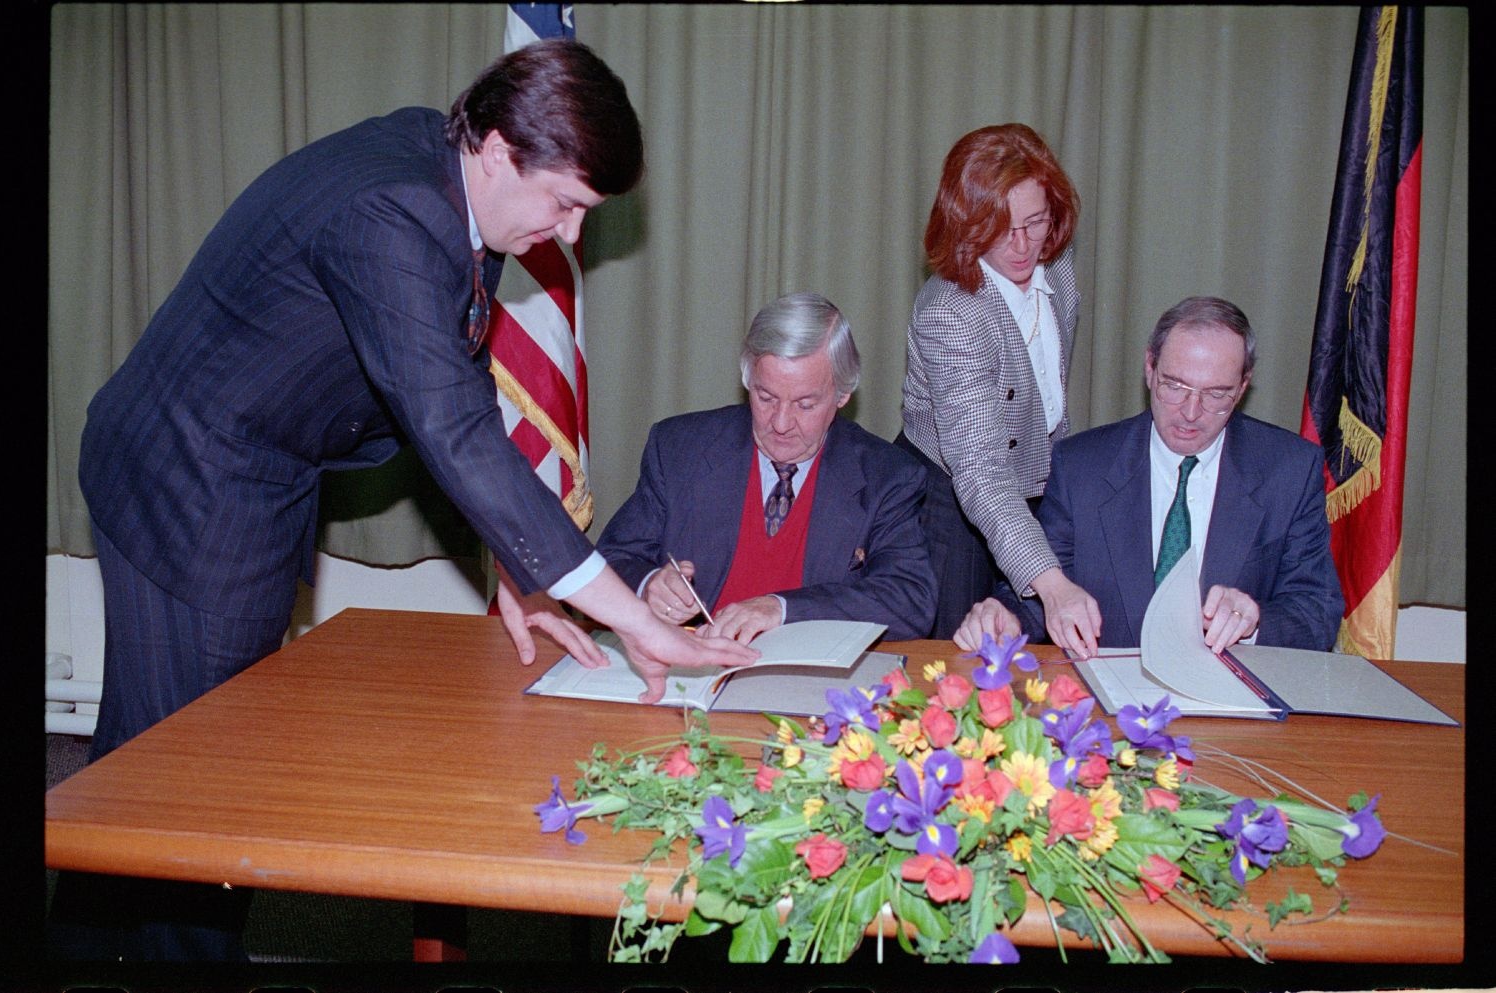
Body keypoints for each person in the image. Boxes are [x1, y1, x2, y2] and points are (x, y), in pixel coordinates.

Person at [56, 38, 752, 961]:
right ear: (503, 151)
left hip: (256, 471)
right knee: (193, 781)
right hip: (193, 480)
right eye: (569, 203)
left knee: (153, 757)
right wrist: (640, 624)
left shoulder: (456, 179)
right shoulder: (396, 208)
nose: (573, 234)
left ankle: (75, 948)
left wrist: (518, 567)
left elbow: (449, 401)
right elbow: (454, 429)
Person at [956, 296, 1344, 654]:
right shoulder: (1083, 466)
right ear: (1149, 367)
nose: (1191, 412)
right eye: (1175, 386)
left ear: (1243, 387)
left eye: (1216, 394)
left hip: (1230, 704)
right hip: (1107, 703)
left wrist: (1254, 622)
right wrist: (1004, 618)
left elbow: (1317, 613)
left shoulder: (1289, 470)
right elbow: (1044, 594)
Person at [597, 292, 937, 643]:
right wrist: (648, 585)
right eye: (766, 397)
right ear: (747, 380)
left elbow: (909, 602)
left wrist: (782, 609)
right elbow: (612, 559)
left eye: (805, 404)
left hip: (807, 680)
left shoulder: (887, 475)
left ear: (842, 395)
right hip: (691, 667)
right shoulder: (679, 449)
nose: (781, 422)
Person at [896, 123, 1101, 657]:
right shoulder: (952, 313)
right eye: (1000, 227)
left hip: (1035, 479)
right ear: (965, 223)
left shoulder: (1059, 263)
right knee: (956, 657)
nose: (1023, 245)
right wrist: (1052, 585)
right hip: (952, 498)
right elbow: (982, 469)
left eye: (1035, 223)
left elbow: (1046, 393)